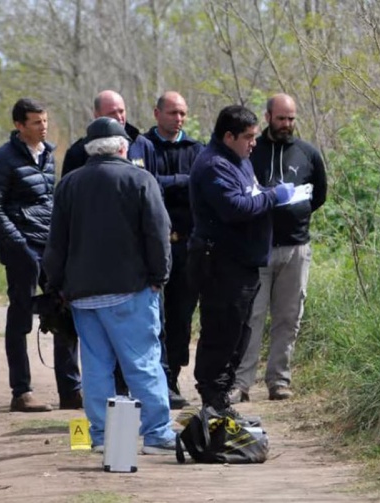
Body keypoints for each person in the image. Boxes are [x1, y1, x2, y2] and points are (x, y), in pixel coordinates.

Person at [43, 117, 177, 454]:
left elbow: (56, 243)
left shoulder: (69, 185)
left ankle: (102, 438)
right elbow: (158, 234)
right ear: (123, 147)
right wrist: (160, 277)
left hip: (83, 296)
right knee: (142, 362)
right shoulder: (140, 179)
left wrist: (55, 286)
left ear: (90, 149)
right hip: (130, 290)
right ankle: (157, 434)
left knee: (96, 367)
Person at [188, 105, 295, 418]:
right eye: (247, 137)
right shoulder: (213, 165)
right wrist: (274, 196)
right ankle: (213, 398)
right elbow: (234, 206)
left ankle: (221, 400)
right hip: (221, 265)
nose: (254, 142)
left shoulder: (240, 161)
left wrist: (267, 193)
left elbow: (251, 193)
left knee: (238, 333)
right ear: (228, 136)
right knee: (221, 333)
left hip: (243, 265)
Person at [0, 98, 81, 412]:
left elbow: (48, 204)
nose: (44, 127)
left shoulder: (49, 155)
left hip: (49, 246)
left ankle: (70, 391)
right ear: (19, 125)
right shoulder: (0, 159)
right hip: (20, 248)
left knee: (64, 311)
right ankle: (21, 392)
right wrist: (18, 246)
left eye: (45, 121)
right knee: (21, 316)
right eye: (36, 122)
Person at [231, 94, 327, 403]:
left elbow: (319, 196)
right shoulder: (250, 152)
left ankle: (279, 381)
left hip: (296, 248)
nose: (286, 124)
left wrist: (294, 213)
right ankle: (241, 383)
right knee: (252, 316)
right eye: (281, 118)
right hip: (257, 249)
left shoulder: (308, 154)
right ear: (268, 116)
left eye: (291, 119)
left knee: (288, 317)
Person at [143, 91, 203, 409]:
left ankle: (173, 376)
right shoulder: (142, 146)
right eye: (172, 113)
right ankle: (156, 379)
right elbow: (145, 183)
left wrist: (168, 182)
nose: (178, 119)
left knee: (181, 317)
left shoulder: (197, 149)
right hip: (153, 247)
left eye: (182, 113)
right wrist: (182, 180)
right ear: (157, 113)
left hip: (188, 248)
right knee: (155, 318)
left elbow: (203, 184)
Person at [61, 90, 157, 176]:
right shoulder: (79, 151)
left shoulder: (142, 145)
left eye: (121, 111)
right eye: (112, 113)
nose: (119, 117)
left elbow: (154, 187)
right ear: (97, 115)